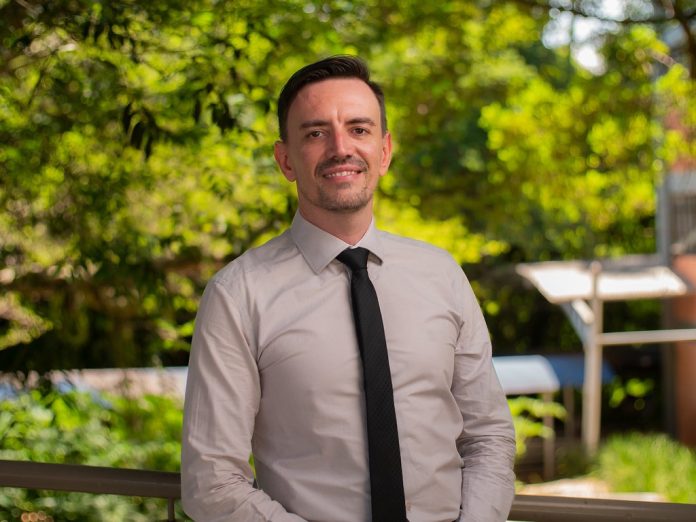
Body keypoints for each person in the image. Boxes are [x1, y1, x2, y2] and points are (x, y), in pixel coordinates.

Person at [181, 55, 516, 522]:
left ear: (384, 151)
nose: (341, 148)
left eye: (359, 129)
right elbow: (211, 482)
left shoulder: (442, 275)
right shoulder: (237, 296)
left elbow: (488, 437)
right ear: (285, 160)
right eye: (315, 133)